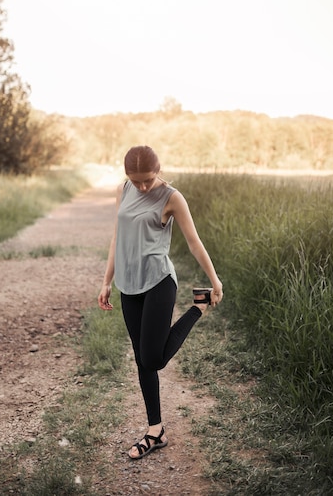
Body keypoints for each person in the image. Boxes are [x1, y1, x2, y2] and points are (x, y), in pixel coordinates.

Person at [98, 145, 223, 460]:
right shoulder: (123, 190)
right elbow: (117, 236)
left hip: (158, 281)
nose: (141, 186)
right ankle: (156, 431)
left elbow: (193, 242)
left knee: (153, 359)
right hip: (129, 283)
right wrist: (106, 280)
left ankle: (198, 305)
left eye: (148, 180)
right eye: (136, 180)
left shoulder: (171, 197)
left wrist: (215, 278)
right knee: (142, 360)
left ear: (158, 171)